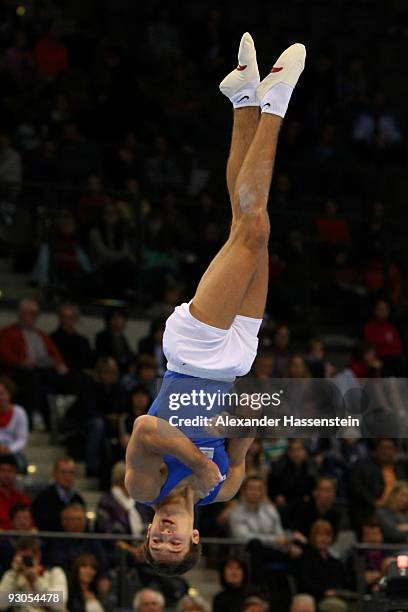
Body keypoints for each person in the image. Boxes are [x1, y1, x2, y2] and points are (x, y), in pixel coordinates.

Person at [125, 34, 306, 576]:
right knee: (250, 228)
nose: (162, 536)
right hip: (236, 359)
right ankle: (243, 99)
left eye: (155, 542)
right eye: (173, 545)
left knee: (250, 230)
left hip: (193, 352)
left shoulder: (144, 485)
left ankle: (275, 102)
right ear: (195, 537)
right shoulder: (223, 490)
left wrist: (200, 461)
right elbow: (250, 421)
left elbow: (145, 429)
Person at [0, 299, 67, 424]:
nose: (33, 317)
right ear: (20, 313)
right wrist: (21, 362)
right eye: (30, 313)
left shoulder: (42, 335)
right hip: (19, 372)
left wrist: (60, 364)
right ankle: (33, 415)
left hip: (44, 370)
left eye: (35, 313)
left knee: (74, 379)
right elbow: (4, 354)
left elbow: (55, 354)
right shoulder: (8, 333)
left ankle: (61, 421)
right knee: (32, 377)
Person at [349, 438, 408, 526]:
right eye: (382, 448)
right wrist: (373, 502)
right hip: (376, 510)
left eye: (389, 448)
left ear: (395, 450)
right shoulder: (363, 466)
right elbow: (355, 487)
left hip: (401, 511)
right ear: (376, 450)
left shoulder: (401, 468)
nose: (385, 451)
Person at [0, 537, 68, 612]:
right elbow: (1, 605)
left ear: (38, 555)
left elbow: (59, 604)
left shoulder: (54, 573)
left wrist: (36, 581)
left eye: (27, 558)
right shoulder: (12, 576)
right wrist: (13, 574)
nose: (24, 562)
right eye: (21, 558)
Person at [295, 520, 348, 608]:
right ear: (313, 537)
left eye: (327, 536)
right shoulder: (305, 558)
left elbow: (341, 582)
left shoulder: (335, 562)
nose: (324, 539)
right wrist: (324, 592)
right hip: (314, 598)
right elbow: (305, 584)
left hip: (335, 597)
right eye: (320, 535)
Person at [43, 504, 110, 573]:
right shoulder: (56, 540)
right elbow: (57, 562)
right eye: (72, 519)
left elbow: (103, 563)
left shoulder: (92, 539)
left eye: (80, 519)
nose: (77, 523)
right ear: (64, 522)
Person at [32, 458, 85, 531]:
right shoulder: (43, 498)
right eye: (63, 472)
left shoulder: (78, 499)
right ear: (54, 474)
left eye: (71, 472)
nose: (67, 476)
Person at [97, 461, 145, 536]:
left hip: (142, 544)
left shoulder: (139, 501)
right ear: (123, 480)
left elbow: (146, 522)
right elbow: (106, 530)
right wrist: (128, 548)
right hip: (115, 546)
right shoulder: (106, 501)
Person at [363, 299, 405, 377]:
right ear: (375, 310)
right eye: (380, 309)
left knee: (401, 362)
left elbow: (398, 347)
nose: (383, 311)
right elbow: (371, 348)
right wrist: (386, 349)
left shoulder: (391, 328)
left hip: (392, 359)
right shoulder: (369, 327)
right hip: (377, 358)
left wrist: (385, 348)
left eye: (385, 309)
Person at [50, 303, 93, 372]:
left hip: (81, 375)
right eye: (65, 317)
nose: (68, 320)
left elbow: (89, 362)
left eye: (71, 317)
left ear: (76, 319)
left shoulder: (83, 341)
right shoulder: (52, 339)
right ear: (60, 318)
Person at [0, 376, 28, 472]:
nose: (0, 397)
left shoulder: (19, 412)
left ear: (9, 394)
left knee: (22, 465)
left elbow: (22, 439)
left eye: (2, 393)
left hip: (12, 450)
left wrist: (9, 449)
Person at [0, 503, 36, 576]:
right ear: (11, 521)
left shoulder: (39, 541)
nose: (22, 522)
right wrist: (27, 537)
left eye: (26, 518)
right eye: (18, 518)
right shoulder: (4, 542)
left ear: (31, 521)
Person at [95, 308, 134, 374]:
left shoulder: (122, 338)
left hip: (123, 369)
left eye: (121, 318)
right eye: (115, 318)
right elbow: (103, 355)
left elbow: (128, 354)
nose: (119, 321)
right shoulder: (102, 336)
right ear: (109, 320)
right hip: (109, 368)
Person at [0, 454, 30, 529]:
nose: (7, 475)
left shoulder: (22, 498)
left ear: (15, 473)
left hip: (20, 538)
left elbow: (30, 523)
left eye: (10, 470)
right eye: (3, 470)